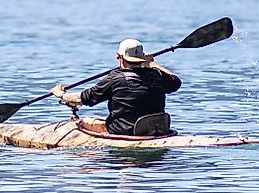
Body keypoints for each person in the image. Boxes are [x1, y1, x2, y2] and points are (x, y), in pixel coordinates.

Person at [50, 38, 181, 135]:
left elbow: (85, 98)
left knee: (82, 123)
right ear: (142, 58)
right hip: (158, 128)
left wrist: (61, 94)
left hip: (125, 132)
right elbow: (175, 82)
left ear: (119, 57)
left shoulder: (114, 79)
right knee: (95, 121)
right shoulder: (156, 74)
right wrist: (152, 64)